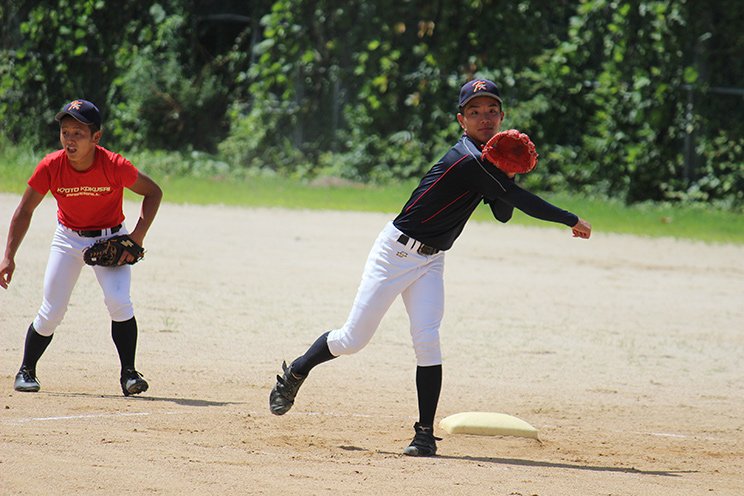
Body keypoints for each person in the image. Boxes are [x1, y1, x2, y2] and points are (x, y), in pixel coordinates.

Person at [269, 79, 592, 456]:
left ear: (502, 117)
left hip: (432, 259)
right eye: (474, 112)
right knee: (353, 340)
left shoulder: (488, 162)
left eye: (491, 111)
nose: (483, 118)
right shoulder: (466, 159)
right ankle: (296, 371)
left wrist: (507, 170)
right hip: (395, 255)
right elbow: (517, 202)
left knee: (427, 339)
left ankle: (423, 434)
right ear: (461, 120)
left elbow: (502, 212)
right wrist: (569, 217)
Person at [0, 99, 162, 396]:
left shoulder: (114, 165)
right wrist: (8, 256)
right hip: (68, 239)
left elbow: (153, 192)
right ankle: (26, 370)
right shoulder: (51, 166)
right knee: (52, 310)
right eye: (65, 132)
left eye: (78, 133)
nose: (70, 139)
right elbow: (25, 210)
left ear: (96, 138)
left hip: (110, 239)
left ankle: (129, 374)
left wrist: (137, 237)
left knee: (119, 301)